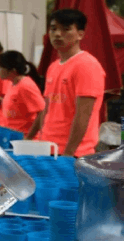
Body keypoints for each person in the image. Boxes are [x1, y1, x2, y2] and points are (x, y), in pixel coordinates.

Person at [28, 9, 106, 157]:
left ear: (80, 34)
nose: (57, 34)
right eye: (53, 29)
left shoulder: (86, 65)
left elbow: (83, 115)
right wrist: (32, 138)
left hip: (73, 154)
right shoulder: (53, 66)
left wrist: (69, 153)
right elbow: (47, 108)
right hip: (47, 148)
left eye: (66, 29)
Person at [0, 50, 45, 137]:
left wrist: (29, 137)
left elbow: (42, 111)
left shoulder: (26, 85)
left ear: (12, 70)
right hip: (11, 137)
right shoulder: (12, 83)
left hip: (23, 140)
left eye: (1, 67)